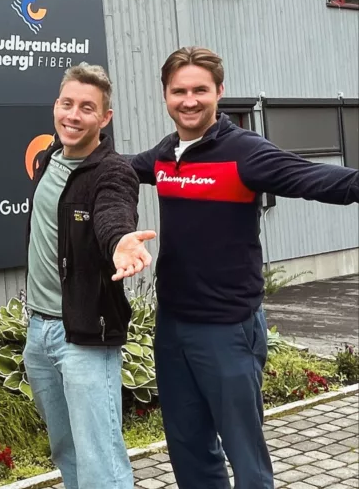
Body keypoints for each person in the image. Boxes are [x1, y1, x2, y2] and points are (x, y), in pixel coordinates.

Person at [130, 46, 359, 489]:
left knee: (245, 454)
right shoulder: (165, 155)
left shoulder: (245, 152)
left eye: (200, 90)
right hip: (172, 326)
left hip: (227, 329)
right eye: (179, 91)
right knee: (188, 447)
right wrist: (66, 156)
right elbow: (118, 169)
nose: (189, 100)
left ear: (219, 91)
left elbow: (316, 179)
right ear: (165, 95)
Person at [22, 63, 156, 489]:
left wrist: (119, 242)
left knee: (100, 458)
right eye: (68, 104)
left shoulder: (112, 171)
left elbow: (112, 213)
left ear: (105, 117)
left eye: (87, 108)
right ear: (55, 106)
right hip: (39, 331)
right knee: (66, 450)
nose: (74, 115)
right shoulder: (49, 158)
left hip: (85, 335)